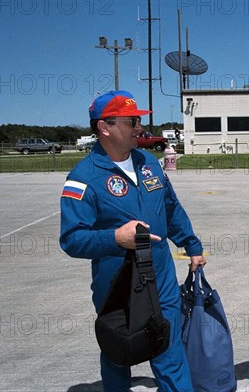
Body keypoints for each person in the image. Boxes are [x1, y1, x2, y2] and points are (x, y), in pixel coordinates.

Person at [60, 90, 206, 392]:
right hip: (116, 281)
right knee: (119, 352)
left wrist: (192, 245)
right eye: (131, 121)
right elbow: (72, 239)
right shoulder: (83, 177)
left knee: (169, 348)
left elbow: (170, 208)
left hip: (161, 274)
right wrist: (115, 237)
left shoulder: (149, 163)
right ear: (105, 127)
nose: (139, 127)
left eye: (138, 120)